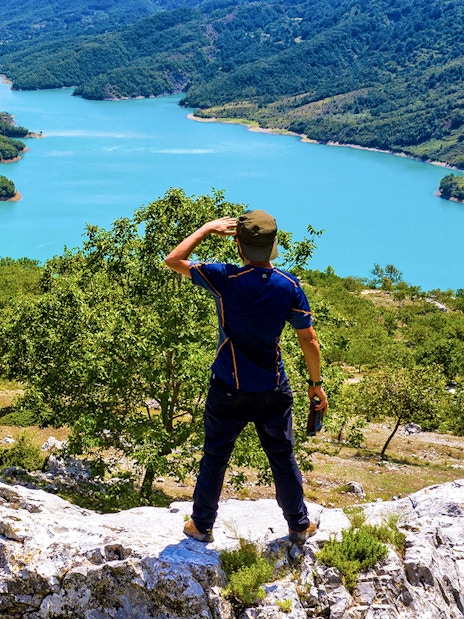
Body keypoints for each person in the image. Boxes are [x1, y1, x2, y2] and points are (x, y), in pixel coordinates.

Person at [164, 210, 328, 543]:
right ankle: (298, 525)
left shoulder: (223, 278)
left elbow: (174, 259)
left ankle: (201, 525)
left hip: (227, 386)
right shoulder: (289, 286)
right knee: (282, 456)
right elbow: (309, 340)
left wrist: (208, 228)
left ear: (238, 244)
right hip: (272, 387)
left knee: (215, 455)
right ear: (273, 246)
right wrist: (316, 386)